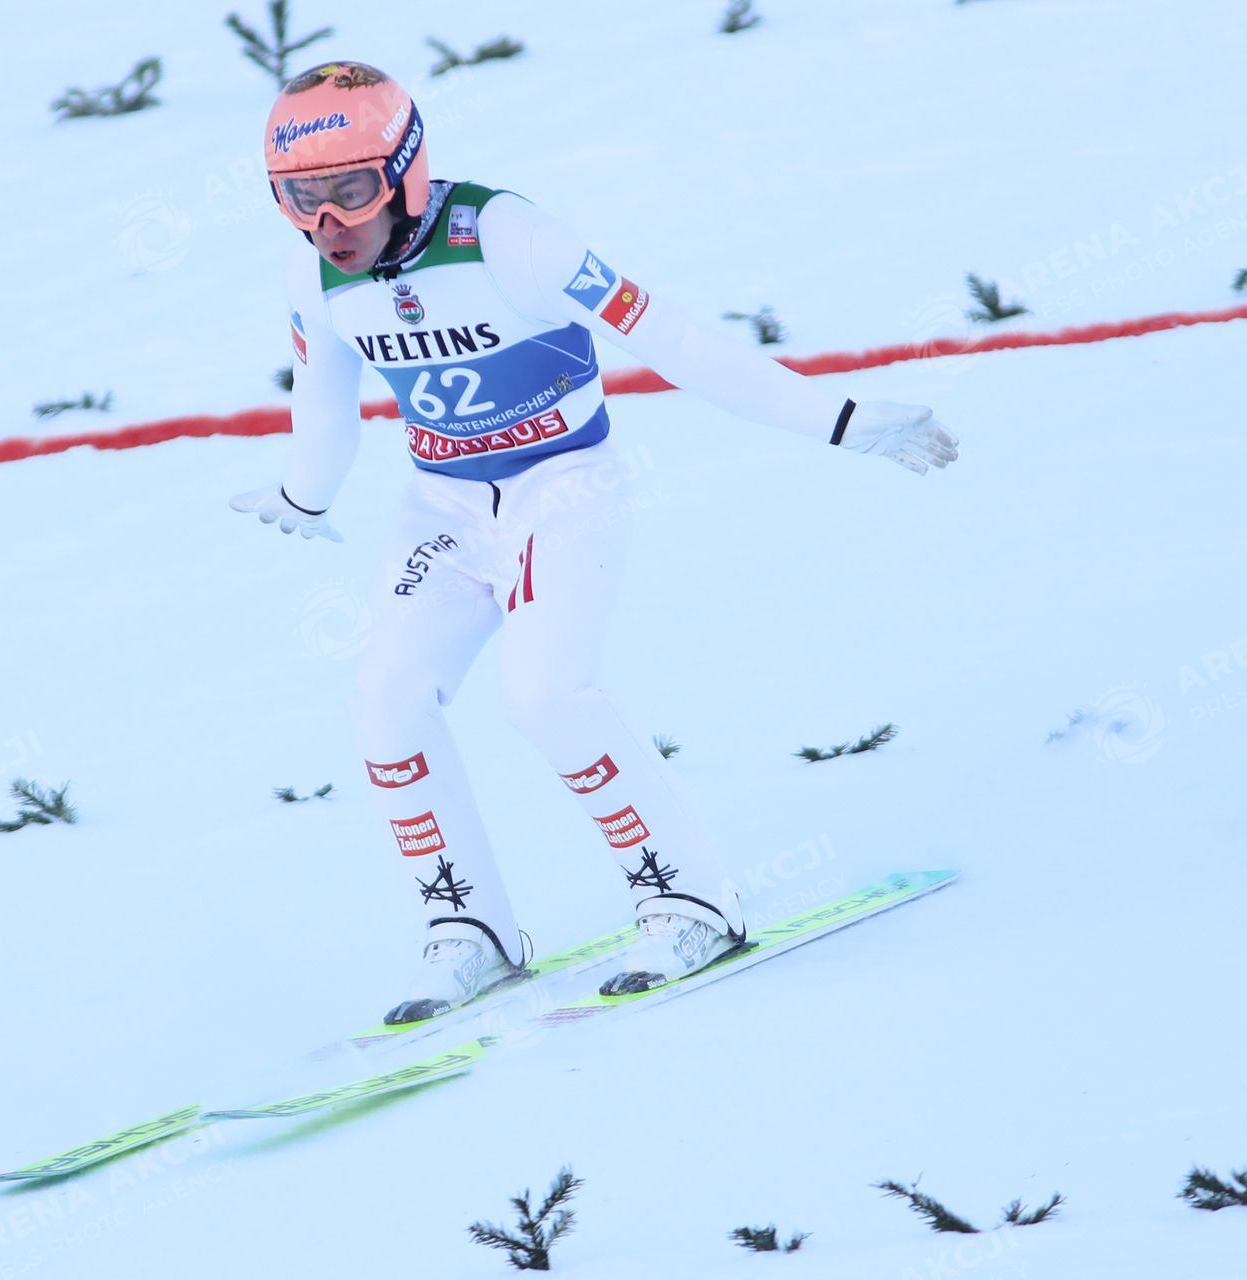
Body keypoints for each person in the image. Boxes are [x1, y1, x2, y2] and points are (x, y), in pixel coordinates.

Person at [231, 62, 957, 1027]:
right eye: (299, 199)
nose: (328, 223)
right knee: (385, 703)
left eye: (351, 190)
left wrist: (840, 420)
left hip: (562, 487)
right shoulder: (313, 275)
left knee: (544, 694)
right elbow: (323, 404)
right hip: (443, 505)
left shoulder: (509, 237)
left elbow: (679, 344)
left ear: (406, 172)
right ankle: (468, 928)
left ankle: (692, 904)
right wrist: (303, 492)